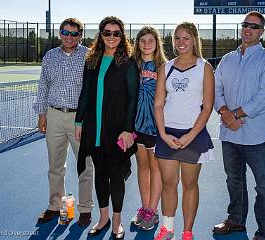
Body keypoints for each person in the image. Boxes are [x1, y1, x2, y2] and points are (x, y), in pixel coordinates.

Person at [212, 11, 265, 240]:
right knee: (234, 180)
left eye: (254, 26)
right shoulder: (227, 59)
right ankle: (236, 222)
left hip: (257, 137)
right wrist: (224, 113)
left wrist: (234, 114)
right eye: (245, 24)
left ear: (261, 32)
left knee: (263, 187)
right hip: (229, 135)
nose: (248, 29)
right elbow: (216, 89)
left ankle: (263, 232)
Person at [74, 16, 139, 239]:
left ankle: (117, 223)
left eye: (116, 33)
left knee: (116, 176)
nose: (111, 37)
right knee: (100, 174)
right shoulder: (91, 60)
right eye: (107, 32)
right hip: (94, 128)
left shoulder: (128, 62)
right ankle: (103, 218)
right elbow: (85, 93)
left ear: (122, 37)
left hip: (117, 130)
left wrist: (128, 130)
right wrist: (79, 121)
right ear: (100, 35)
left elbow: (133, 98)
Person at [154, 22, 215, 240]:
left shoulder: (205, 67)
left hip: (194, 134)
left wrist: (190, 135)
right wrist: (163, 134)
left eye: (186, 38)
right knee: (169, 184)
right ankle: (167, 228)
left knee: (190, 185)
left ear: (194, 40)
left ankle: (187, 231)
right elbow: (159, 104)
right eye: (177, 38)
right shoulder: (166, 67)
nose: (181, 42)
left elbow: (207, 107)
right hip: (167, 134)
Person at [34, 18, 94, 227]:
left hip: (81, 119)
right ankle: (54, 206)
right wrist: (42, 114)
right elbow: (43, 86)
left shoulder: (89, 55)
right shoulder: (50, 56)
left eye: (74, 33)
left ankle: (85, 209)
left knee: (85, 165)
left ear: (80, 35)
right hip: (54, 116)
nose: (69, 37)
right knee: (55, 166)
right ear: (60, 33)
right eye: (65, 32)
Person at [130, 26, 167, 231]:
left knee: (155, 168)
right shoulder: (131, 65)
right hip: (136, 126)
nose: (146, 45)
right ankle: (144, 208)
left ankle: (152, 211)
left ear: (156, 43)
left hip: (156, 127)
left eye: (150, 41)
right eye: (142, 41)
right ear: (137, 44)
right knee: (142, 167)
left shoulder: (164, 66)